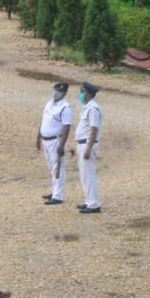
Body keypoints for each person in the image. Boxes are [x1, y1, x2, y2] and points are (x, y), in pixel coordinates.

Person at [38, 82, 73, 206]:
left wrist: (61, 146)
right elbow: (43, 120)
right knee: (51, 168)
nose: (56, 92)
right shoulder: (49, 103)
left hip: (55, 141)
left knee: (57, 168)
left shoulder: (65, 107)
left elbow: (66, 127)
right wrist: (38, 137)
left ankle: (58, 196)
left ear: (64, 93)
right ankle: (54, 192)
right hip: (45, 139)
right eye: (55, 89)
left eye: (59, 91)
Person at [74, 82, 103, 214]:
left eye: (82, 91)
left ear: (89, 93)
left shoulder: (93, 109)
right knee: (84, 175)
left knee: (89, 174)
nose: (81, 94)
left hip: (87, 144)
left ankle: (94, 204)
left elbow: (94, 129)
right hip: (82, 143)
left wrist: (88, 148)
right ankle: (88, 200)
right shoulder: (87, 107)